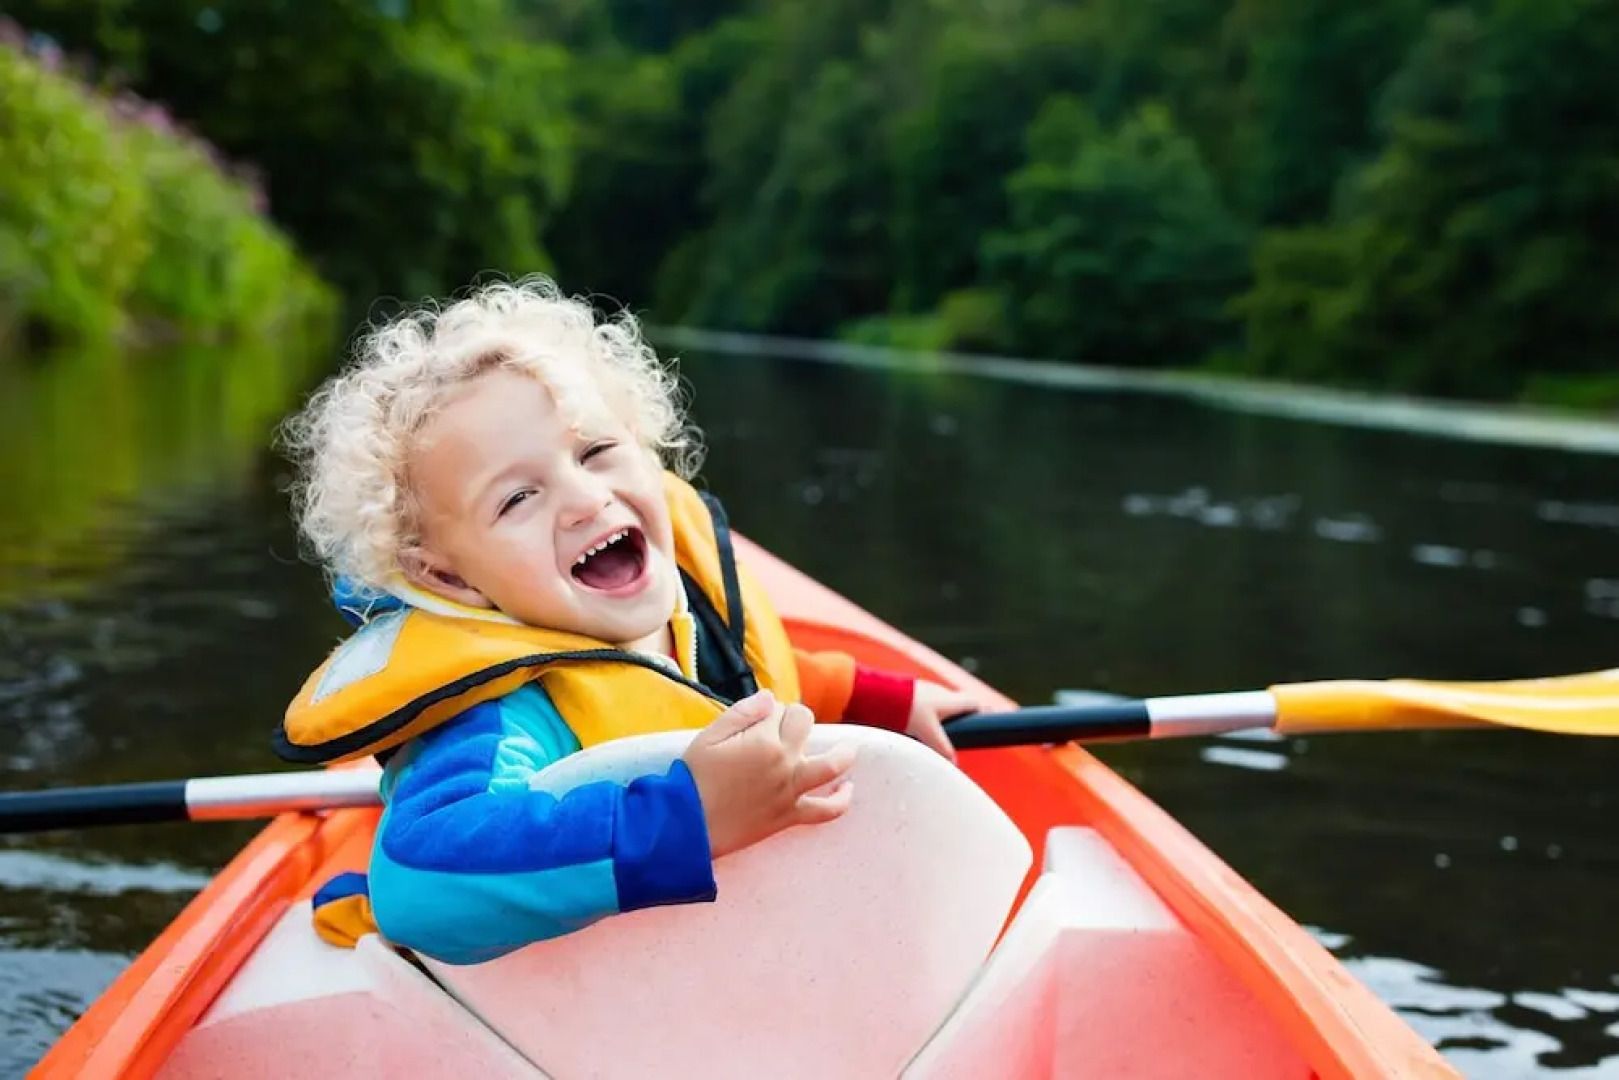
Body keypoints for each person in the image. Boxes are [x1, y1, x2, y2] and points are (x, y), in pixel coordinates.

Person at [274, 276, 986, 964]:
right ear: (448, 576)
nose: (586, 500)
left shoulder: (676, 605)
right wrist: (685, 815)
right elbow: (418, 883)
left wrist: (873, 699)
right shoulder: (505, 713)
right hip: (587, 1004)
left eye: (595, 452)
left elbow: (734, 681)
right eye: (517, 498)